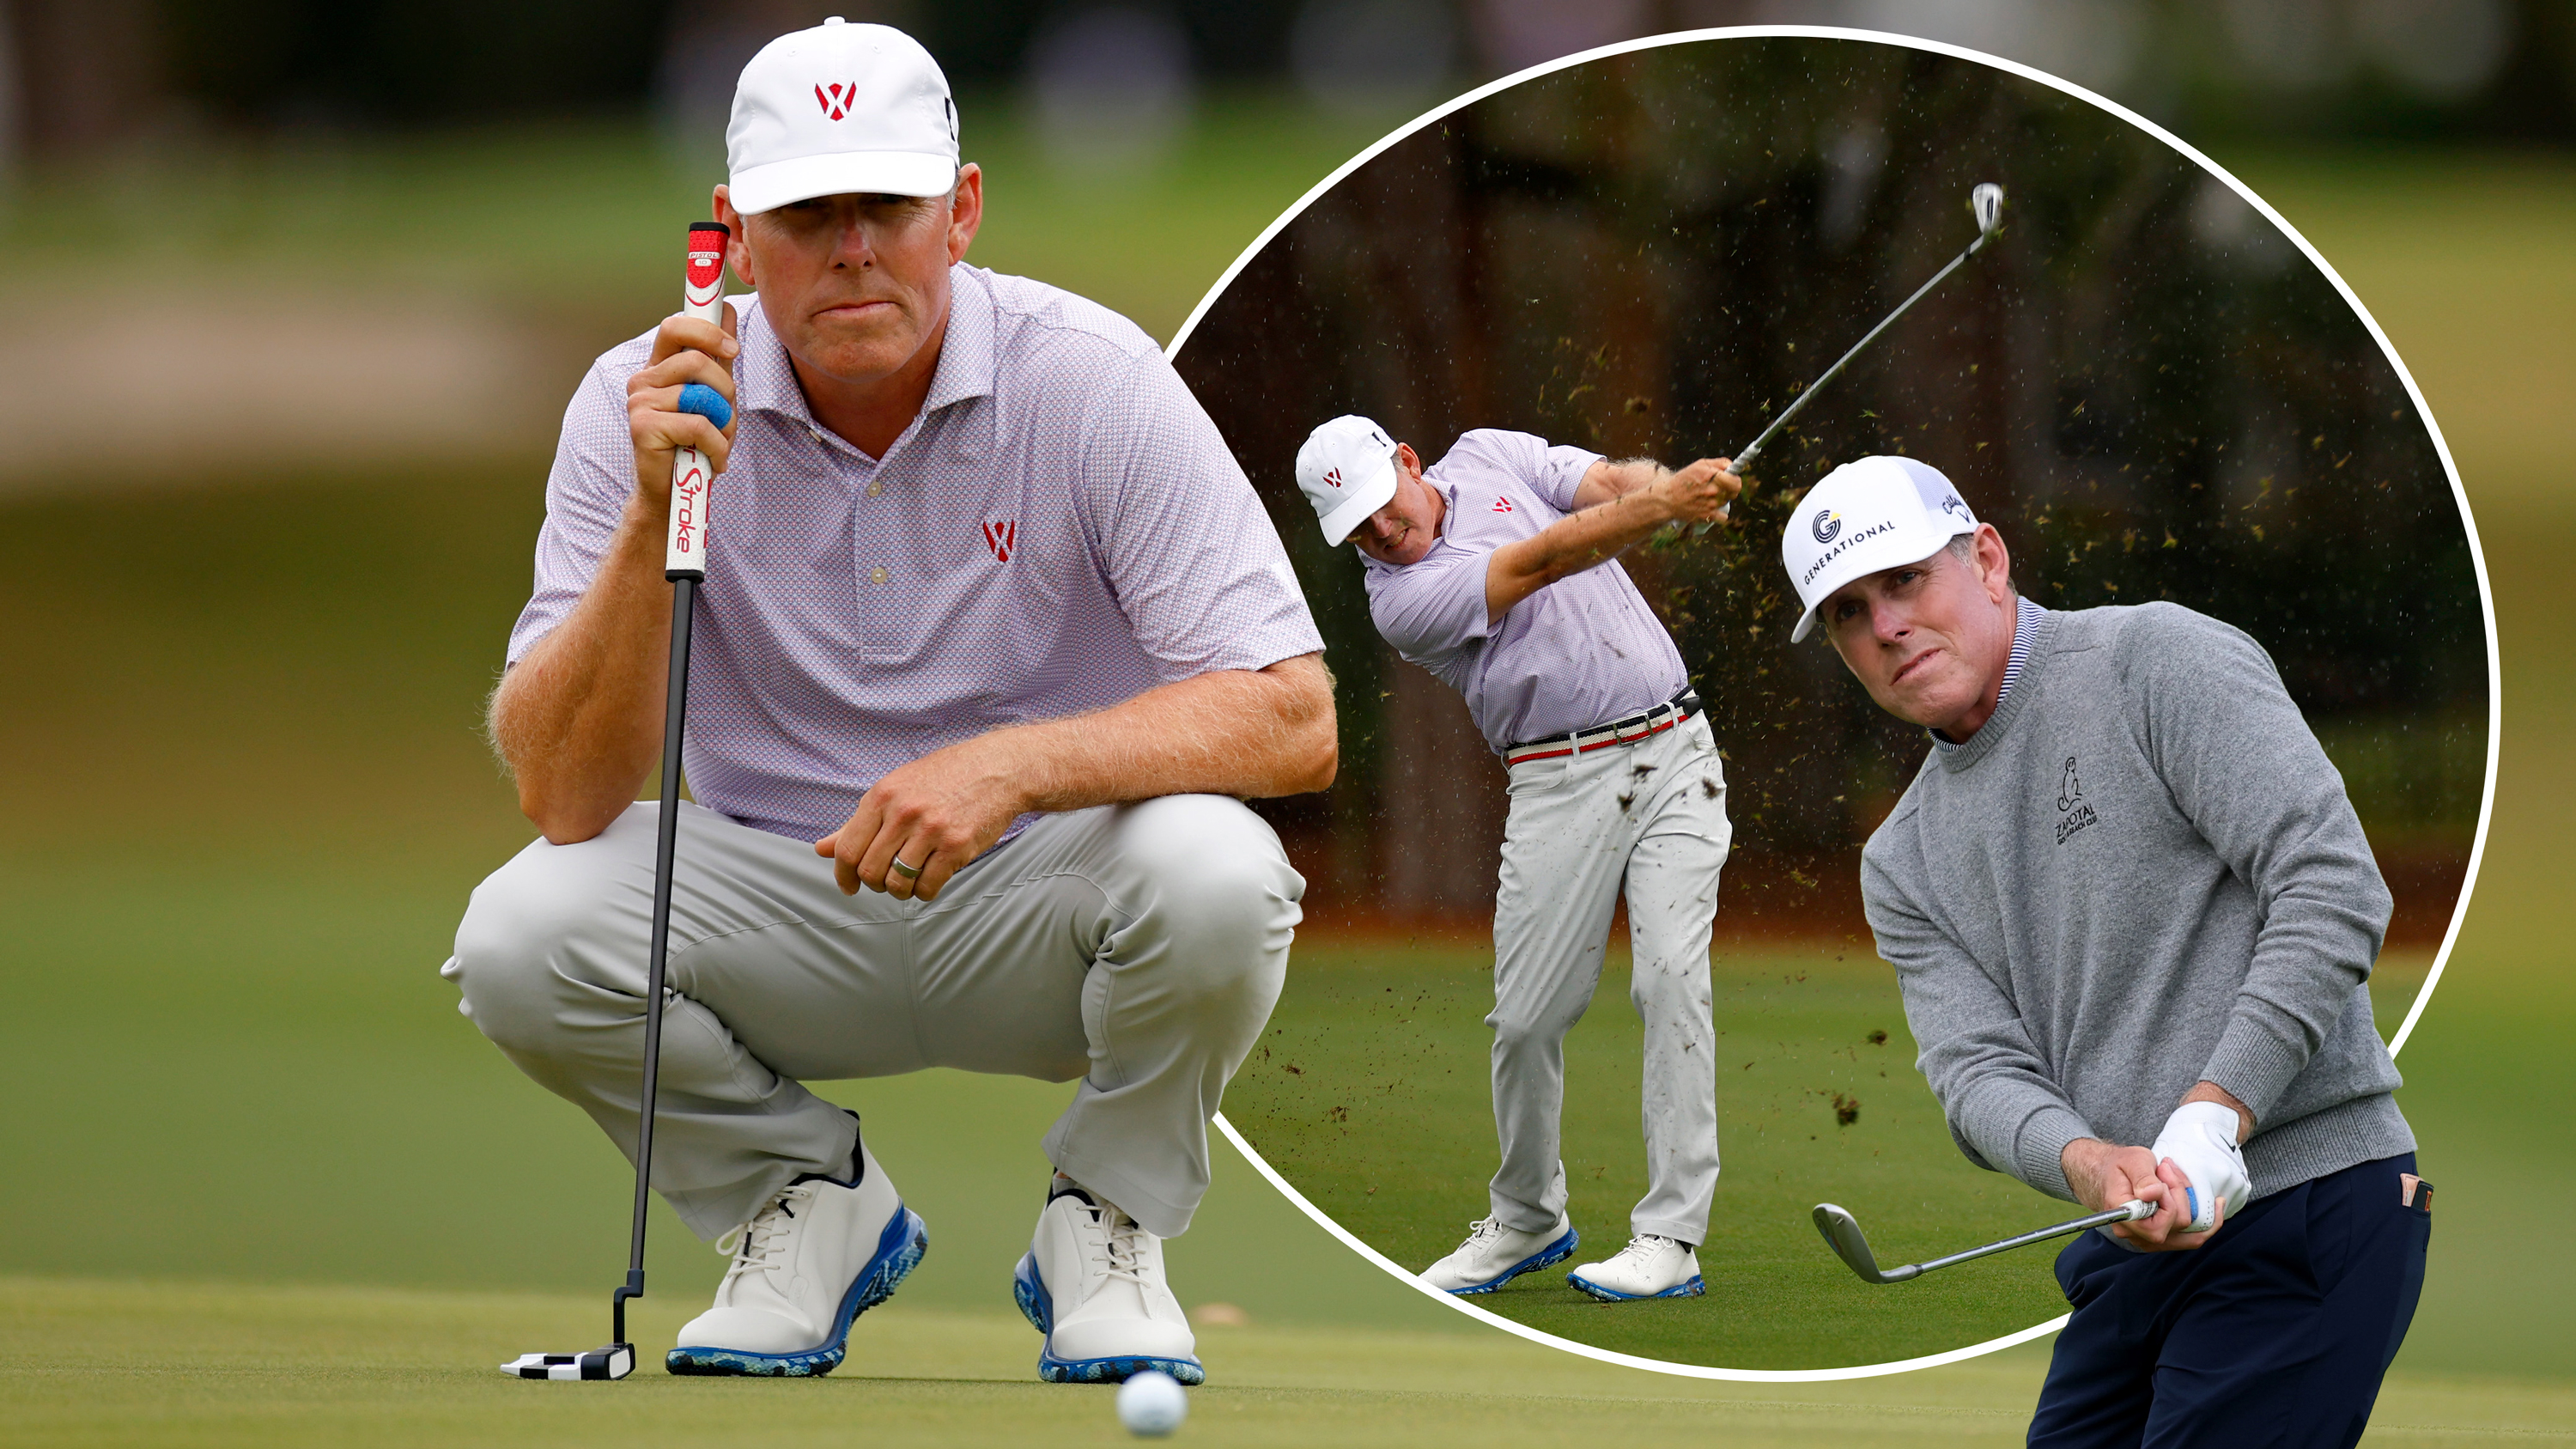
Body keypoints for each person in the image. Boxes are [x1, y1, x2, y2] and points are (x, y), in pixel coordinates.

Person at [441, 19, 1334, 1386]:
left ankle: (1108, 1217)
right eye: (809, 215)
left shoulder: (1089, 380)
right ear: (738, 237)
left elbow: (1293, 715)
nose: (853, 248)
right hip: (779, 900)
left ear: (960, 211)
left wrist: (1011, 766)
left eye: (889, 206)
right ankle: (801, 1201)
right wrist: (651, 510)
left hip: (1042, 901)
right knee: (519, 935)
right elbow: (563, 791)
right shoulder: (641, 402)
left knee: (1221, 869)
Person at [1779, 455, 2428, 1446]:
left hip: (2307, 1204)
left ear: (1987, 559)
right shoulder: (1902, 859)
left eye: (1905, 579)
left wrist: (2216, 1112)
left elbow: (2331, 886)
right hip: (2130, 1251)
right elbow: (1976, 1071)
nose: (1887, 626)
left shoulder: (2153, 661)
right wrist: (2082, 1161)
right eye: (1848, 613)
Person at [1293, 415, 1740, 1301]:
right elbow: (1542, 561)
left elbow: (1604, 485)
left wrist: (1673, 485)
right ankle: (1530, 1213)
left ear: (1408, 461)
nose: (1381, 531)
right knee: (1529, 1019)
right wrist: (1665, 504)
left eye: (1382, 504)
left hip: (1676, 750)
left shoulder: (1491, 452)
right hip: (1557, 779)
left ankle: (1671, 1234)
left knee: (1671, 981)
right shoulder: (1400, 602)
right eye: (1357, 531)